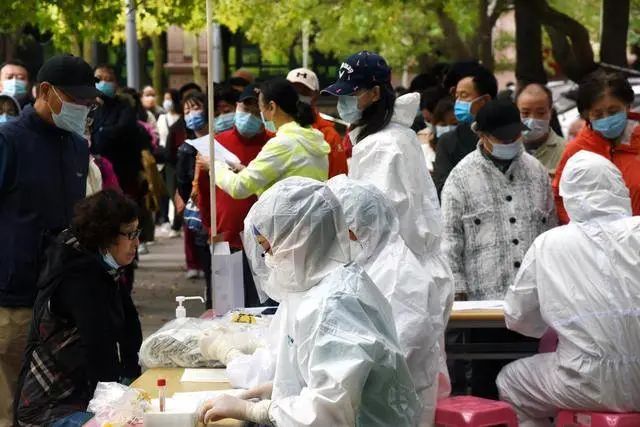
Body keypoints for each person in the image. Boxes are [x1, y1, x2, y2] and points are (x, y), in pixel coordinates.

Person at [198, 177, 421, 426]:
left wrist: (256, 410)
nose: (268, 259)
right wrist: (276, 388)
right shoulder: (331, 284)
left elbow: (328, 413)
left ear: (298, 239)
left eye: (269, 248)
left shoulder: (335, 304)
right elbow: (326, 378)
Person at [497, 151, 640, 427]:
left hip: (584, 382)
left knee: (511, 382)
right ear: (618, 188)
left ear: (568, 197)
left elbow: (518, 318)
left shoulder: (549, 244)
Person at [0, 54, 98, 426]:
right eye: (76, 99)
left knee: (54, 408)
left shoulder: (77, 146)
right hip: (12, 301)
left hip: (62, 300)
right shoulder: (8, 140)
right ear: (45, 92)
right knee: (9, 410)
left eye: (89, 102)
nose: (83, 108)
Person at [441, 99, 556, 398]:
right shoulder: (460, 178)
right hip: (483, 304)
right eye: (502, 138)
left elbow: (550, 233)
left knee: (532, 384)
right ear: (481, 135)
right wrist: (458, 291)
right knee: (485, 383)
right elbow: (449, 239)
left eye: (515, 136)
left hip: (531, 303)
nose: (510, 143)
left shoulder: (536, 172)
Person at [328, 175, 451, 426]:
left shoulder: (400, 278)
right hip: (365, 403)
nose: (335, 243)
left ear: (363, 227)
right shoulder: (366, 265)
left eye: (341, 233)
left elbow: (395, 360)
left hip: (393, 411)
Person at [14, 190, 143, 426]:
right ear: (106, 236)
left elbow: (130, 328)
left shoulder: (104, 268)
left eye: (138, 232)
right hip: (49, 410)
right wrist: (116, 405)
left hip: (80, 398)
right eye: (130, 234)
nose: (137, 243)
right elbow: (98, 347)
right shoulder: (78, 276)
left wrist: (132, 377)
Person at [322, 51, 443, 267]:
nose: (342, 102)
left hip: (392, 266)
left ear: (375, 93)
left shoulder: (380, 146)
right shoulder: (398, 135)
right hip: (404, 262)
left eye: (350, 94)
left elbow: (371, 219)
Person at [195, 84, 273, 307]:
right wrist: (210, 227)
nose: (250, 115)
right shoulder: (215, 143)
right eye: (245, 108)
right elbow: (203, 190)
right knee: (227, 308)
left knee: (264, 309)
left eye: (256, 110)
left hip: (264, 243)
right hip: (225, 237)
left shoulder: (274, 144)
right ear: (237, 106)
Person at [213, 77, 330, 199]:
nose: (261, 116)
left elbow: (238, 188)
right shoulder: (312, 138)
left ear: (271, 107)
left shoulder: (283, 143)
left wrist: (214, 166)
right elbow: (284, 185)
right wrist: (245, 171)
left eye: (259, 109)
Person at [553, 70, 640, 224]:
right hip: (596, 237)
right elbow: (560, 199)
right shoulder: (576, 151)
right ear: (586, 115)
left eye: (613, 111)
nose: (607, 119)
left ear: (627, 106)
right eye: (598, 114)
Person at [433, 62, 497, 197]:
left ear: (484, 100)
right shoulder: (448, 141)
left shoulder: (506, 135)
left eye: (464, 96)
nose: (458, 102)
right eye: (457, 96)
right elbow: (442, 189)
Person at [90, 64, 143, 199]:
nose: (103, 83)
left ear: (116, 84)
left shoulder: (125, 108)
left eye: (108, 79)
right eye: (99, 79)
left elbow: (123, 131)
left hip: (122, 174)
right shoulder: (88, 107)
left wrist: (102, 132)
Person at [287, 67, 348, 177]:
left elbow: (339, 179)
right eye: (293, 91)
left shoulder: (329, 135)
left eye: (304, 91)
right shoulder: (272, 125)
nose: (297, 95)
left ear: (315, 95)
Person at [516, 83, 566, 176]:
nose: (532, 119)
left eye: (540, 113)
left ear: (550, 113)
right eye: (525, 113)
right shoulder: (505, 149)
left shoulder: (566, 151)